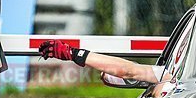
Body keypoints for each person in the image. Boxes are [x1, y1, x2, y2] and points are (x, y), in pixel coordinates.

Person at [38, 40, 167, 83]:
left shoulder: (172, 74)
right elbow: (129, 71)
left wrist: (73, 53)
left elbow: (129, 71)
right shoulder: (175, 75)